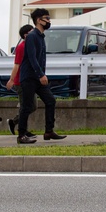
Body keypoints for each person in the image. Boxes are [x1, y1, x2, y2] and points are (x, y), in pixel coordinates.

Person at [17, 9, 66, 144]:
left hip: (38, 77)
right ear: (39, 20)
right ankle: (21, 135)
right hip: (29, 77)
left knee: (50, 101)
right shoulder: (32, 36)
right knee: (26, 106)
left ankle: (49, 131)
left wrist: (41, 74)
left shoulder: (41, 36)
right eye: (47, 18)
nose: (49, 21)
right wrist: (41, 74)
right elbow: (32, 58)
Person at [6, 24, 34, 136]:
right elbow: (16, 65)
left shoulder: (31, 46)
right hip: (21, 81)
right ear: (25, 35)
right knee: (26, 106)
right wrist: (11, 80)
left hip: (30, 80)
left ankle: (15, 122)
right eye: (31, 32)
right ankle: (23, 130)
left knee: (31, 106)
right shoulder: (21, 47)